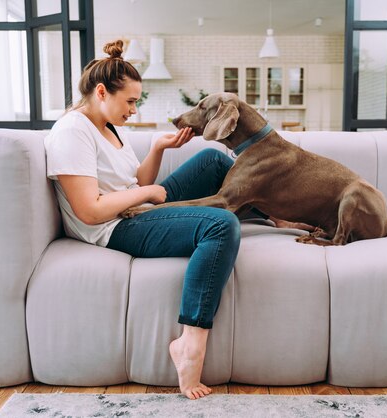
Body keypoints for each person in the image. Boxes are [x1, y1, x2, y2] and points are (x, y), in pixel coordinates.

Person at [44, 39, 242, 400]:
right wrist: (145, 195)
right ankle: (189, 344)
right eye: (131, 101)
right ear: (101, 92)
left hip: (137, 210)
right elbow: (89, 210)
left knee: (213, 160)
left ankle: (276, 213)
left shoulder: (107, 126)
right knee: (221, 225)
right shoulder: (72, 131)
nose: (134, 110)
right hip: (115, 227)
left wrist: (157, 149)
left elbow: (138, 182)